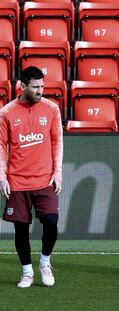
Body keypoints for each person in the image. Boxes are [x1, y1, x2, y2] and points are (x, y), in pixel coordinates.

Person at [0, 66, 63, 288]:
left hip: (45, 179)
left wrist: (58, 173)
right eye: (36, 87)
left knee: (51, 222)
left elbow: (57, 142)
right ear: (22, 86)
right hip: (17, 181)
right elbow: (1, 146)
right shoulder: (7, 112)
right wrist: (2, 177)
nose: (40, 91)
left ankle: (45, 262)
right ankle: (27, 272)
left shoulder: (51, 109)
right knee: (20, 229)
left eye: (42, 86)